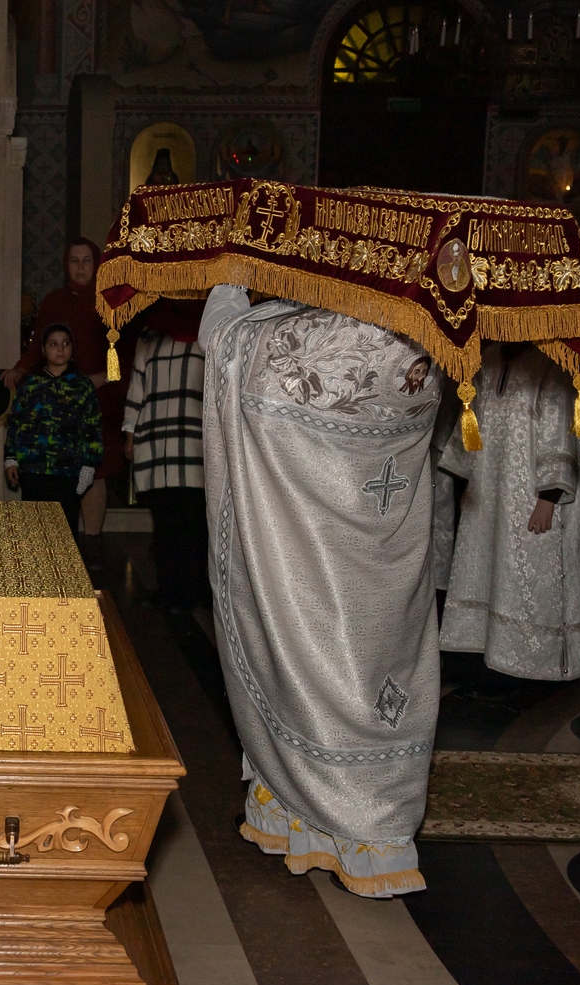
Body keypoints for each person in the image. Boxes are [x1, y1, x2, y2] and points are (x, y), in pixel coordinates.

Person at [200, 286, 443, 898]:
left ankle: (332, 823)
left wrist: (229, 282)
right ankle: (341, 828)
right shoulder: (432, 336)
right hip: (388, 558)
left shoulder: (300, 339)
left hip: (315, 570)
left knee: (309, 658)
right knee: (381, 669)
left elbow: (226, 342)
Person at [440, 341, 580, 681]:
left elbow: (561, 434)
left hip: (531, 497)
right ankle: (485, 658)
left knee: (527, 577)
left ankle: (532, 666)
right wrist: (463, 479)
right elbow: (471, 422)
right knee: (484, 572)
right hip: (487, 493)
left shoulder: (554, 365)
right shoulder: (488, 360)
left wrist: (548, 499)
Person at [3, 238, 122, 569]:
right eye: (74, 261)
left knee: (95, 471)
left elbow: (123, 351)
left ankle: (92, 541)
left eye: (86, 260)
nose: (80, 267)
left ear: (97, 264)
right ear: (66, 265)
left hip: (96, 397)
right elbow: (37, 346)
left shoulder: (112, 301)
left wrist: (103, 378)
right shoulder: (54, 301)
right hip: (54, 397)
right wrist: (20, 370)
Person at [122, 300, 207, 613]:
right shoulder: (149, 337)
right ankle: (168, 588)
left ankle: (192, 591)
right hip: (156, 441)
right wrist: (129, 435)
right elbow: (137, 388)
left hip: (195, 444)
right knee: (165, 522)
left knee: (193, 522)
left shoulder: (208, 335)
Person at [4, 323, 103, 537]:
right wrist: (11, 458)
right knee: (35, 532)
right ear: (43, 349)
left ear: (72, 349)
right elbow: (15, 423)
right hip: (33, 468)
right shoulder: (30, 385)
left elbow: (92, 427)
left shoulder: (82, 385)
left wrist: (89, 464)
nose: (60, 349)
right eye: (53, 344)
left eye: (65, 344)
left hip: (67, 470)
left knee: (64, 532)